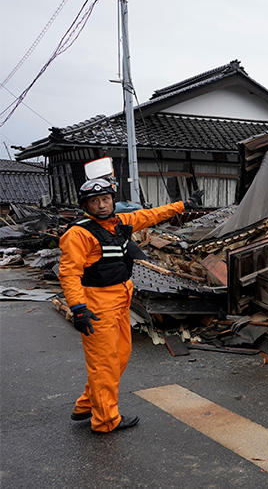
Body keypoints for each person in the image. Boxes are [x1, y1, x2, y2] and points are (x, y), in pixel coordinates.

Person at [59, 178, 204, 433]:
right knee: (104, 363)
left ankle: (87, 404)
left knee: (119, 357)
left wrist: (184, 205)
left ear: (113, 200)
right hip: (97, 305)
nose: (101, 205)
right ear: (86, 205)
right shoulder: (78, 234)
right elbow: (69, 274)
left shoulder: (119, 223)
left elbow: (150, 215)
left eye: (105, 199)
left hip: (120, 300)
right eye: (94, 201)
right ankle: (105, 421)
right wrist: (78, 308)